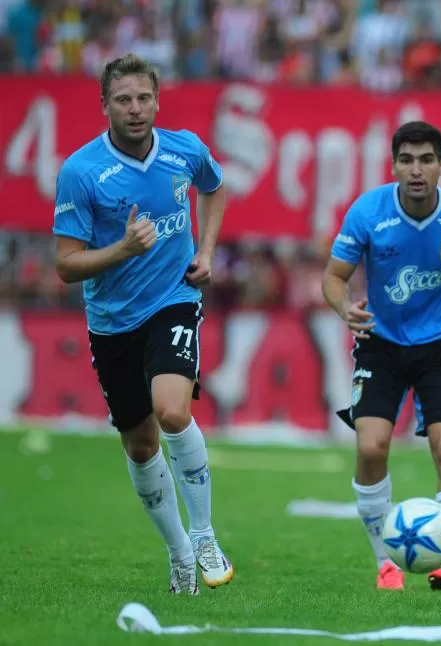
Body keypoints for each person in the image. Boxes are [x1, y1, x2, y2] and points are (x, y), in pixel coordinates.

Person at [52, 53, 233, 595]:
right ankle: (179, 554)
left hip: (175, 298)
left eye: (144, 98)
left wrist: (206, 251)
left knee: (173, 410)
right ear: (104, 105)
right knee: (139, 445)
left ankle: (203, 534)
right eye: (124, 100)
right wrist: (123, 248)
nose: (136, 109)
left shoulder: (185, 149)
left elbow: (216, 188)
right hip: (112, 321)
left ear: (158, 100)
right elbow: (65, 264)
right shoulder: (82, 172)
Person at [322, 120, 441, 592]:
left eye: (426, 159)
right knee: (370, 448)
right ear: (394, 166)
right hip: (379, 344)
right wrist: (345, 307)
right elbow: (333, 277)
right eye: (406, 160)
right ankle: (387, 564)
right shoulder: (368, 212)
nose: (416, 170)